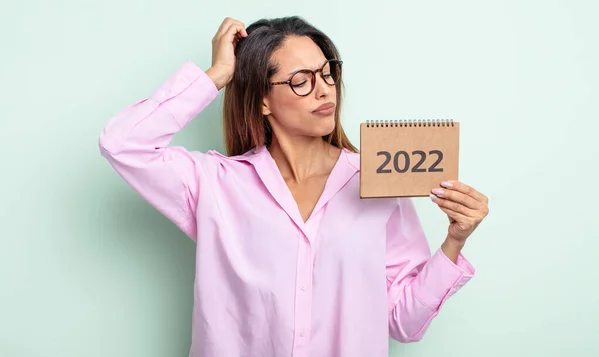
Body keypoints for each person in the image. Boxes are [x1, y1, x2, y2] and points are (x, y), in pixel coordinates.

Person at [98, 16, 489, 357]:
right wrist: (217, 74)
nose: (324, 90)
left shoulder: (379, 182)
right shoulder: (215, 185)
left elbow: (404, 323)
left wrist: (455, 241)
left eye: (327, 72)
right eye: (301, 80)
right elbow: (122, 143)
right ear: (263, 100)